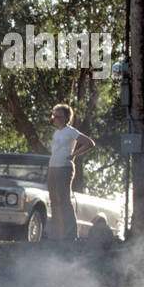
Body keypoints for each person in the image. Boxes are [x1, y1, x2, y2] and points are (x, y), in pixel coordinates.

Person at [47, 103, 96, 241]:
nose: (54, 118)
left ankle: (70, 234)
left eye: (58, 116)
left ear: (65, 118)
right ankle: (56, 234)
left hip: (64, 167)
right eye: (54, 115)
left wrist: (74, 154)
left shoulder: (70, 131)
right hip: (53, 167)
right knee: (53, 200)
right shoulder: (57, 132)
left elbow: (89, 143)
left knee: (64, 199)